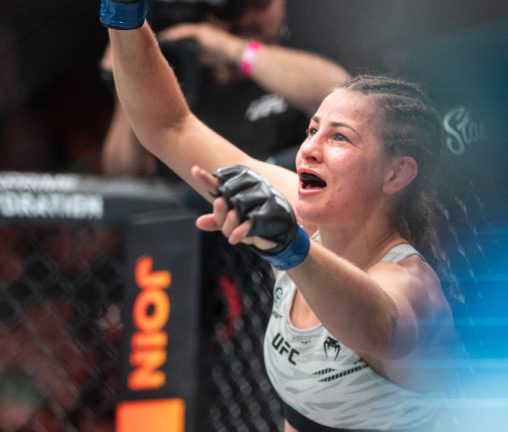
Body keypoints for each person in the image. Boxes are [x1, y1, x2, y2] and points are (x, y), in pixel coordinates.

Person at [101, 2, 458, 429]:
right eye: (312, 130)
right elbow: (170, 127)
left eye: (340, 137)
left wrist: (291, 250)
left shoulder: (411, 285)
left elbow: (380, 326)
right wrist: (124, 18)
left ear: (397, 172)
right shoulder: (303, 221)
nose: (310, 149)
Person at [101, 0, 350, 176]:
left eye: (260, 4)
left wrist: (233, 48)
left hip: (284, 221)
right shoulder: (177, 73)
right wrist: (131, 77)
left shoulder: (304, 58)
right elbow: (125, 174)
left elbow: (340, 93)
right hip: (191, 231)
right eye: (232, 7)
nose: (246, 18)